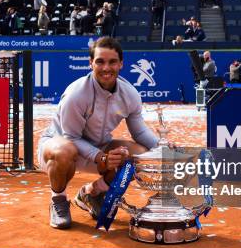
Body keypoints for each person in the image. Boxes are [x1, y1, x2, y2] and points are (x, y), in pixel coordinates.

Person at [38, 37, 160, 229]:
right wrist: (101, 157)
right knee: (64, 150)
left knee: (139, 154)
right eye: (100, 61)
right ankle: (58, 200)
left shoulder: (130, 94)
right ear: (91, 63)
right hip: (59, 146)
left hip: (98, 148)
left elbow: (139, 130)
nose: (106, 68)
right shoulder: (76, 94)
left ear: (121, 63)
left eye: (112, 62)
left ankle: (91, 193)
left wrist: (162, 149)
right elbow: (70, 137)